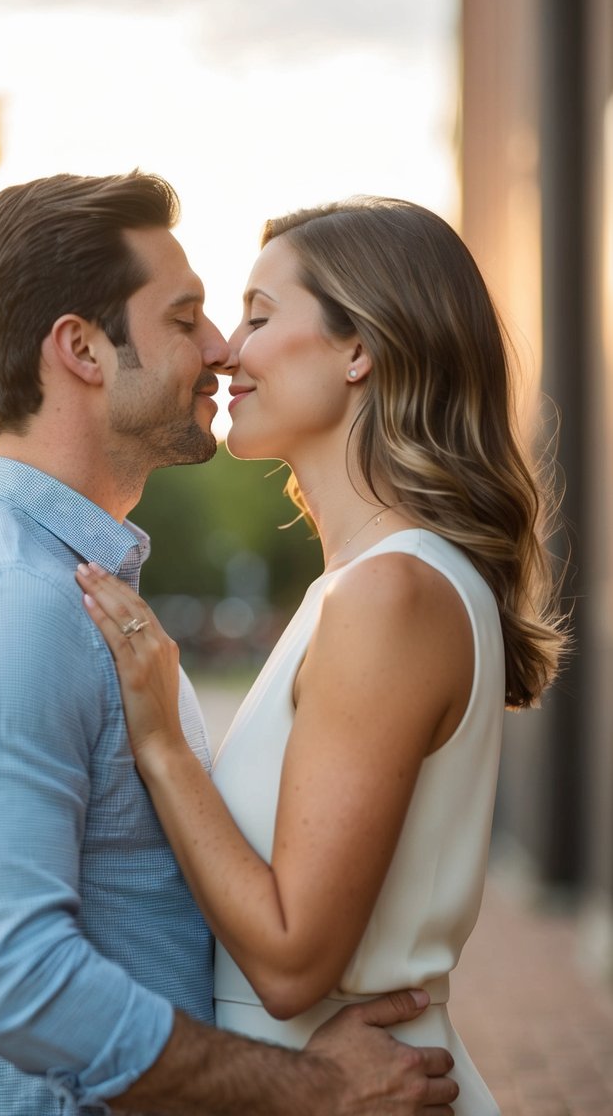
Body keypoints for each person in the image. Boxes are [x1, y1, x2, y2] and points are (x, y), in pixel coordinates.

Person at [0, 173, 459, 1116]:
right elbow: (12, 982)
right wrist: (305, 1088)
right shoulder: (7, 606)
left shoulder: (74, 589)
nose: (222, 350)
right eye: (186, 320)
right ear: (82, 350)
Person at [78, 195, 567, 1116]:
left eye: (260, 315)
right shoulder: (360, 588)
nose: (226, 347)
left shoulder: (389, 594)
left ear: (358, 348)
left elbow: (294, 959)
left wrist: (163, 742)